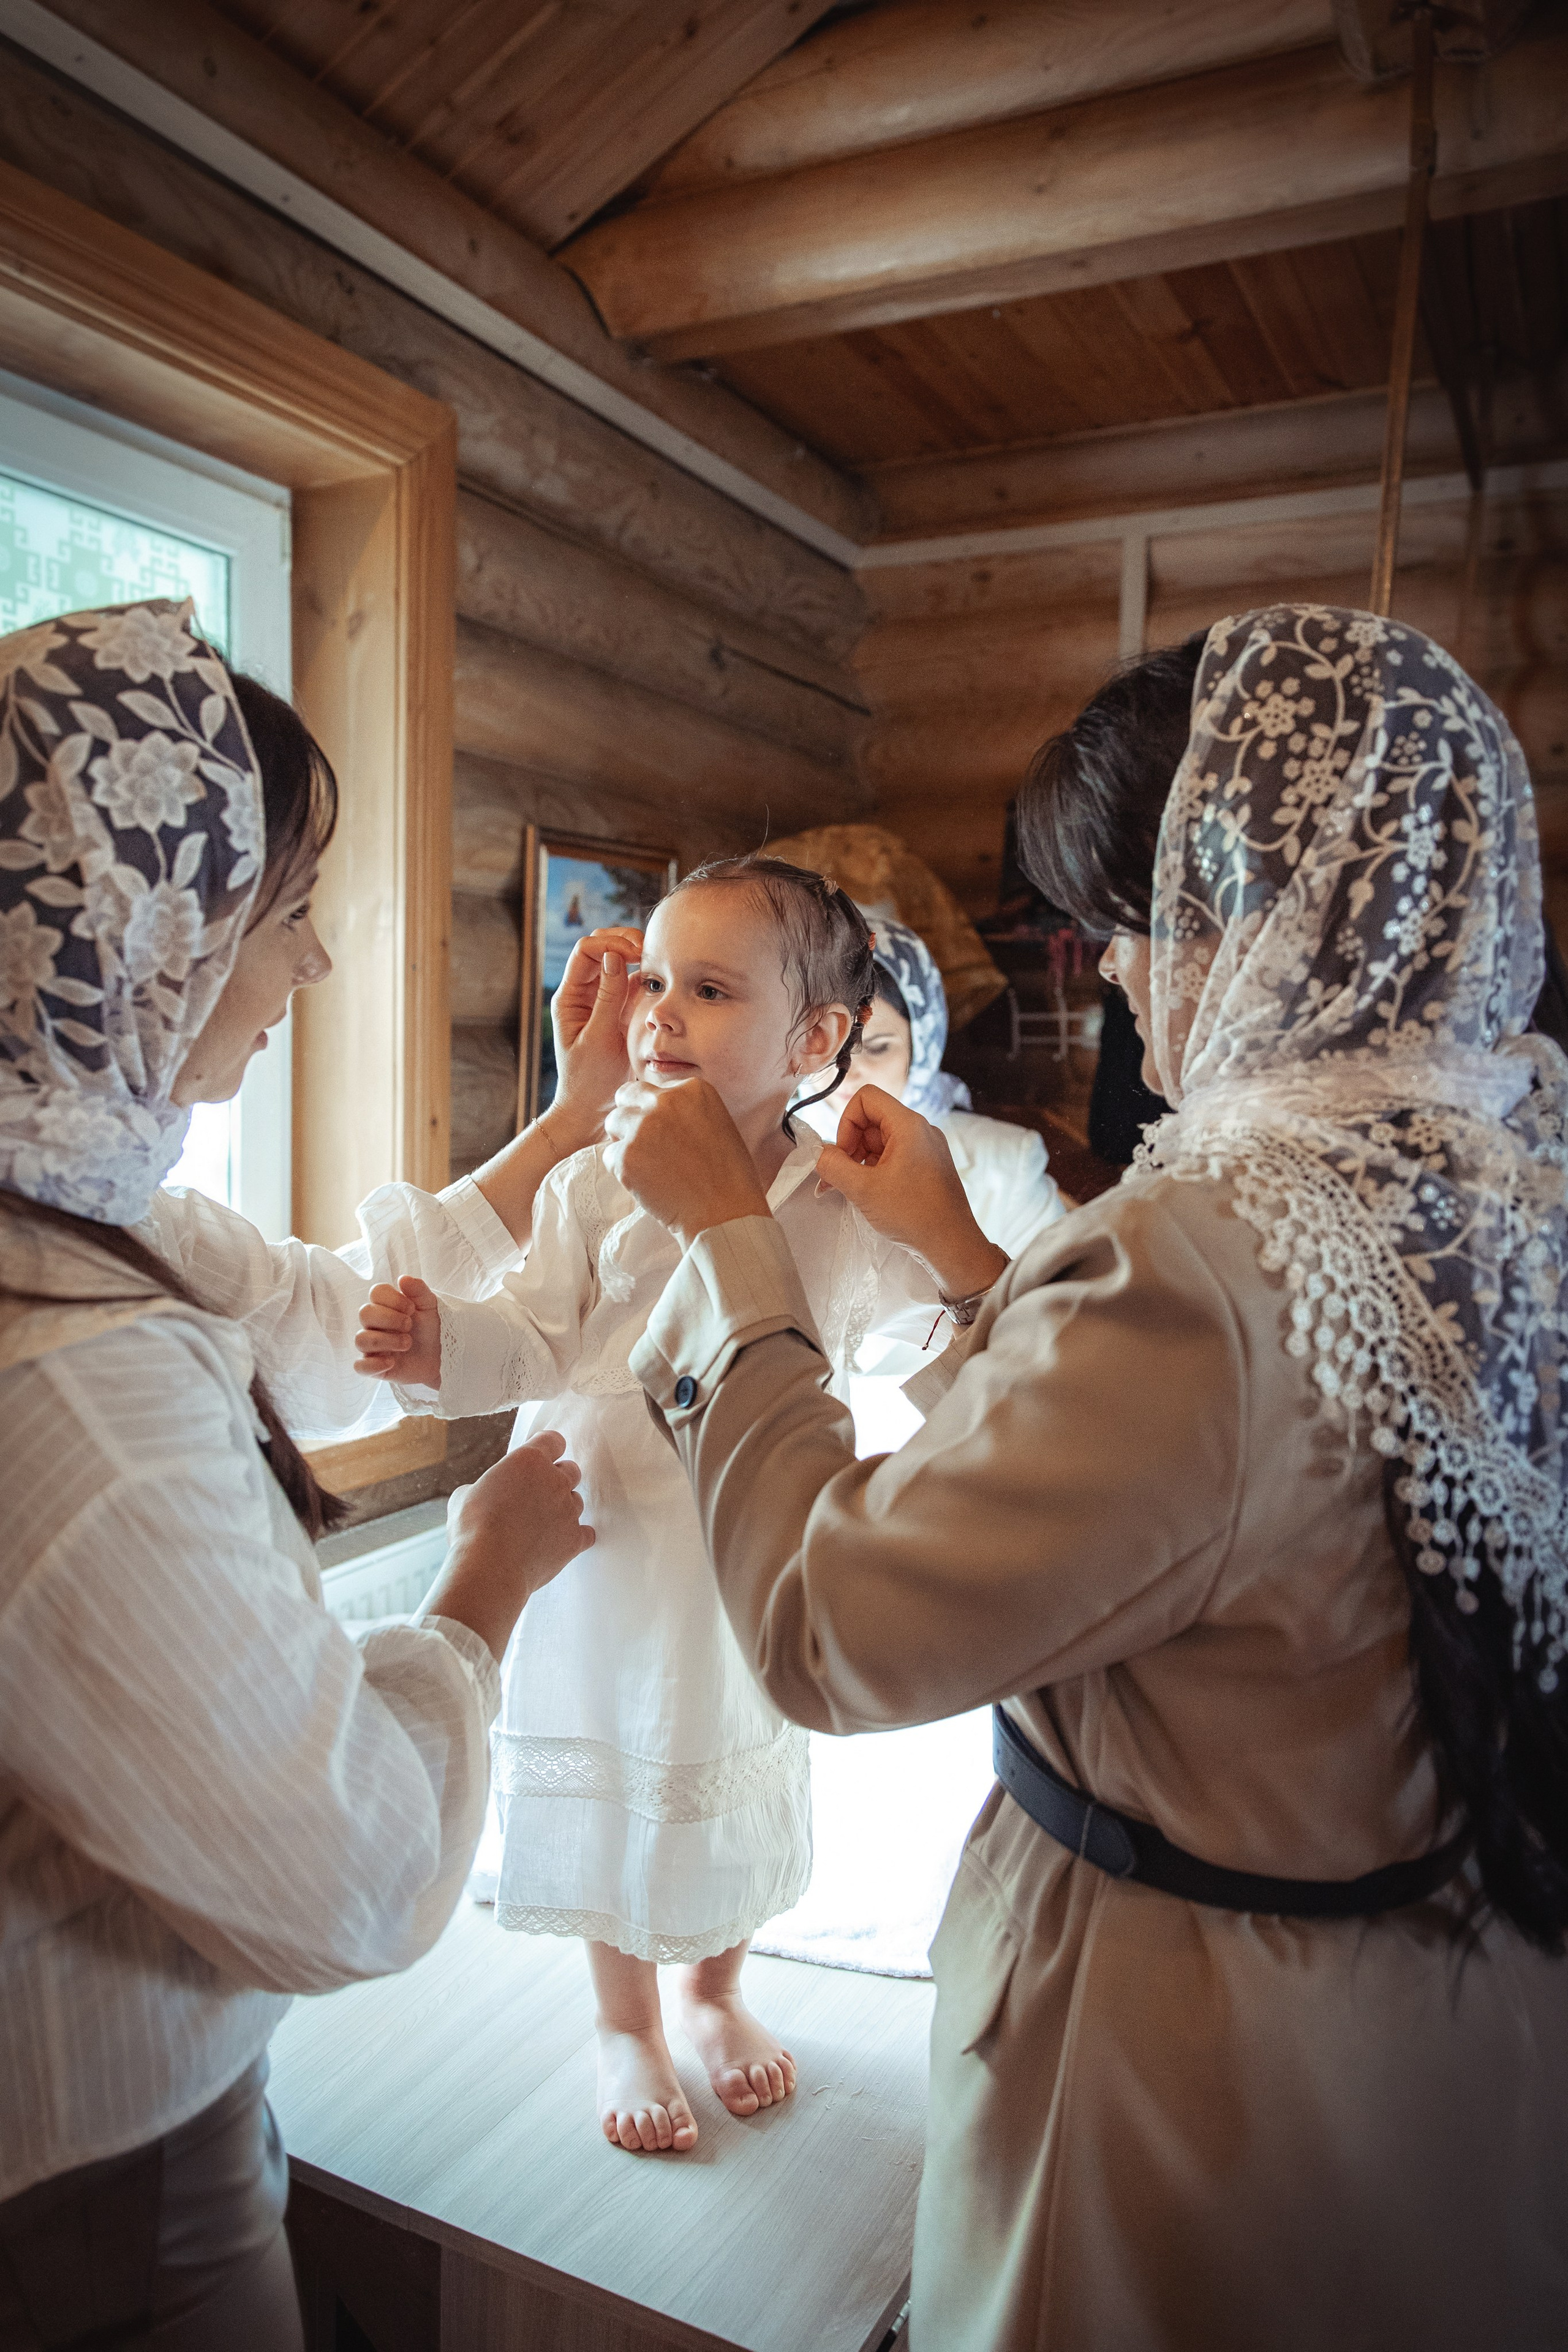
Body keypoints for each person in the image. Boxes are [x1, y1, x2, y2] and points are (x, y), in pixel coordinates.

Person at [599, 604, 1568, 2351]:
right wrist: (975, 1266)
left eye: (1138, 923)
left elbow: (835, 1629)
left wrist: (740, 1254)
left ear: (1263, 914)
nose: (1118, 975)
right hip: (1442, 2000)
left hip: (1191, 2055)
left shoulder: (1210, 1240)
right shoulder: (1498, 1177)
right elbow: (1214, 1490)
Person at [0, 600, 592, 2351]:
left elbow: (323, 1315)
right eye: (292, 915)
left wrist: (561, 1128)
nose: (314, 971)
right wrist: (477, 1592)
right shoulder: (79, 1387)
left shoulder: (71, 1199)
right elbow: (342, 1869)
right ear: (154, 931)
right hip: (91, 2185)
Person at [353, 859, 952, 2158]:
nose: (663, 1011)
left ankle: (717, 1986)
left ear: (816, 1039)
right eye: (660, 983)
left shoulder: (838, 1204)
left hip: (741, 1529)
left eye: (713, 989)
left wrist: (935, 1233)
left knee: (729, 1740)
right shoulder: (591, 1181)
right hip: (592, 1523)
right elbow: (528, 1334)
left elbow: (911, 1340)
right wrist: (438, 1346)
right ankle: (622, 2016)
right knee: (608, 1753)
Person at [797, 908, 1066, 1453]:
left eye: (878, 1047)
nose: (851, 1073)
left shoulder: (1004, 1162)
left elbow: (1051, 1337)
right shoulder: (765, 1154)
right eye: (834, 1047)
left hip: (960, 1444)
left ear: (923, 1040)